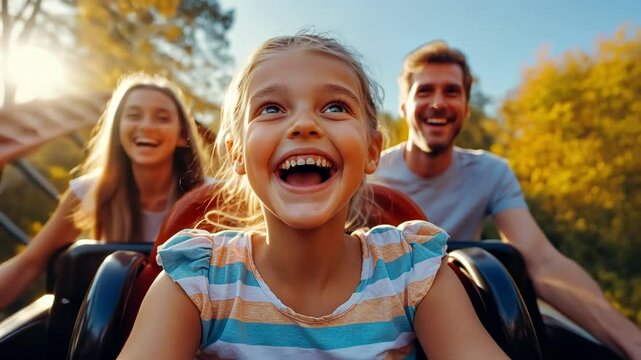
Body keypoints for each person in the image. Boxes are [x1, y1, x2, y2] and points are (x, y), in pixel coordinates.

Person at [119, 33, 507, 359]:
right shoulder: (198, 281)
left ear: (373, 150)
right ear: (237, 151)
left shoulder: (413, 273)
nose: (304, 124)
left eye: (335, 107)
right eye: (271, 108)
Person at [372, 40, 641, 359]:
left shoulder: (491, 172)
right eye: (425, 91)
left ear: (466, 109)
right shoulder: (370, 175)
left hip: (471, 311)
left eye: (452, 92)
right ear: (404, 106)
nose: (438, 103)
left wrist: (632, 342)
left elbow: (540, 258)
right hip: (387, 320)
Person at [0, 73, 209, 310]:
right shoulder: (89, 192)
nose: (146, 126)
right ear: (118, 129)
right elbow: (27, 265)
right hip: (110, 320)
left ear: (182, 135)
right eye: (133, 116)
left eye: (161, 118)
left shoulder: (212, 196)